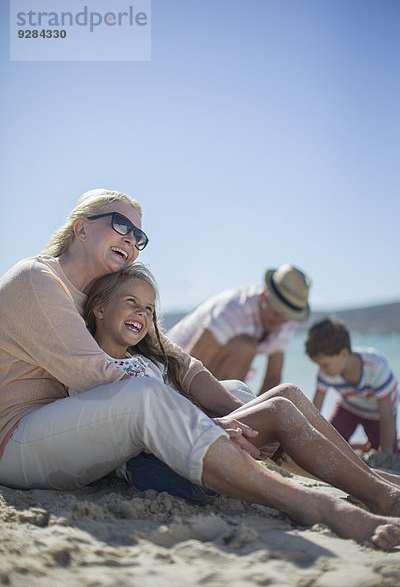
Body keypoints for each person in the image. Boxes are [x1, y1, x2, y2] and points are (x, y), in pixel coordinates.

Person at [0, 189, 400, 550]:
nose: (130, 239)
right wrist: (205, 421)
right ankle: (318, 507)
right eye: (120, 225)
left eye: (138, 237)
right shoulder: (38, 279)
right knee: (146, 396)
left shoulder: (108, 295)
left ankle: (371, 483)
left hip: (79, 428)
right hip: (19, 439)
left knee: (246, 393)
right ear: (80, 228)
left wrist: (231, 414)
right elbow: (100, 377)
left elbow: (184, 365)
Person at [83, 263, 400, 527]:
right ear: (99, 308)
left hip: (189, 428)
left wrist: (247, 420)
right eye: (130, 303)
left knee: (287, 392)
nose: (142, 315)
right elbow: (139, 418)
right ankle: (381, 496)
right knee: (277, 408)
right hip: (167, 456)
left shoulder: (141, 359)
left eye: (148, 309)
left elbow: (268, 375)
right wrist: (236, 420)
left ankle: (368, 478)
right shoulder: (93, 365)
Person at [168, 264, 311, 394]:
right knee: (245, 348)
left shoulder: (286, 321)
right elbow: (193, 360)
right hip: (170, 370)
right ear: (264, 296)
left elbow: (273, 378)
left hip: (203, 372)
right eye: (278, 312)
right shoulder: (233, 309)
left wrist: (258, 415)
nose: (281, 320)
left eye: (287, 315)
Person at [306, 318, 398, 453]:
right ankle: (359, 447)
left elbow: (387, 418)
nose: (321, 370)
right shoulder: (326, 372)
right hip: (348, 407)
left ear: (343, 354)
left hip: (377, 413)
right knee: (329, 443)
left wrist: (386, 454)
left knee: (389, 449)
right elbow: (314, 411)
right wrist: (307, 437)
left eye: (325, 364)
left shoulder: (375, 367)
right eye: (319, 365)